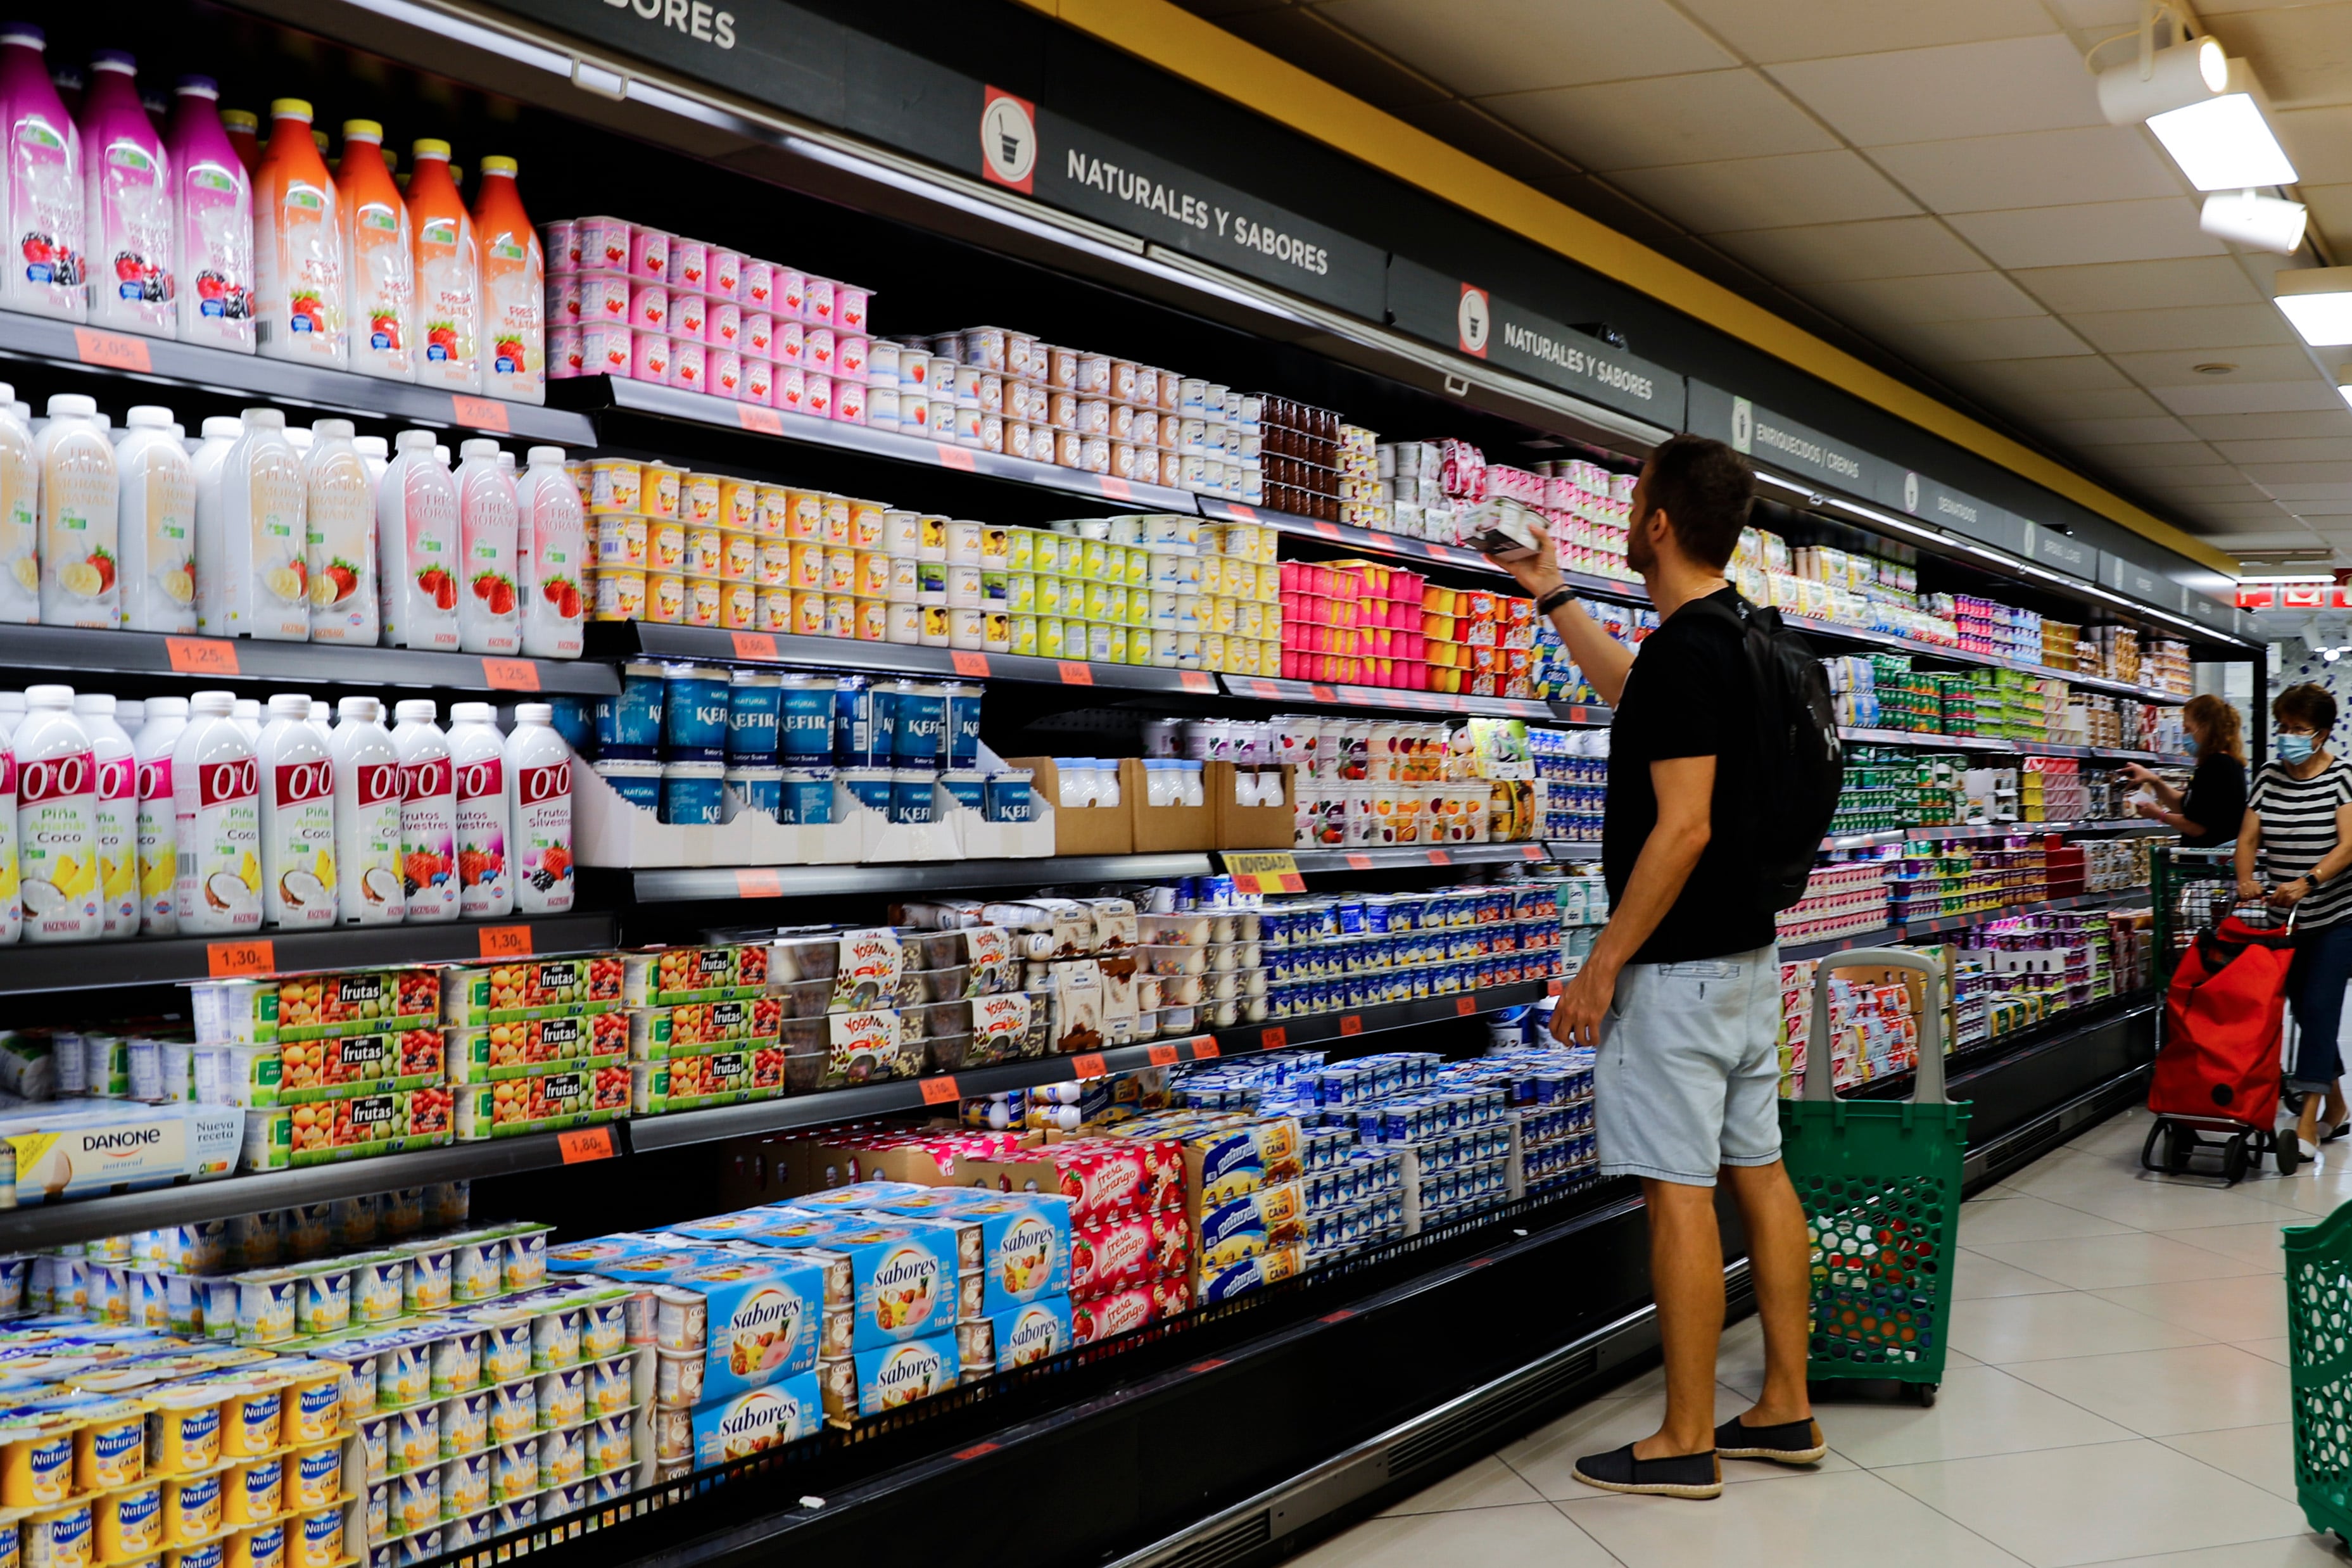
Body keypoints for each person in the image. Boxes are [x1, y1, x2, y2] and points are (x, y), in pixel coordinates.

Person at [1490, 434, 1819, 1502]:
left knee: (1675, 1196)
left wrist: (1598, 969)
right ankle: (1783, 1407)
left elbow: (1677, 831)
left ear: (1659, 524)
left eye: (1633, 500)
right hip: (1746, 962)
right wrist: (1551, 595)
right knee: (1758, 1176)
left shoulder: (1691, 651)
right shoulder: (1742, 637)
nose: (1627, 515)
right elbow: (1638, 693)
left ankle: (1684, 1439)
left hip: (1674, 975)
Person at [2235, 683, 2352, 1160]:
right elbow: (2247, 838)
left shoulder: (2342, 776)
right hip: (2282, 920)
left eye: (2297, 729)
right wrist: (2245, 878)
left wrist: (2309, 880)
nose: (2287, 736)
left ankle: (2306, 1123)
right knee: (2302, 1008)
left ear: (2322, 734)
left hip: (2335, 915)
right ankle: (2338, 1106)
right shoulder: (2267, 776)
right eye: (2282, 727)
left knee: (2321, 1009)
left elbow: (2349, 845)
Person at [2123, 693, 2245, 847]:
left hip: (2208, 863)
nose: (2184, 735)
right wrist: (2154, 780)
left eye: (2188, 729)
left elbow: (2197, 827)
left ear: (2206, 728)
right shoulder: (2226, 762)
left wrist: (2159, 814)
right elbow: (2187, 807)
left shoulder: (2217, 765)